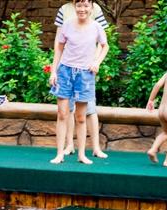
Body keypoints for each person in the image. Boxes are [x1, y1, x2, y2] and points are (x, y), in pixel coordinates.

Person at [49, 0, 109, 164]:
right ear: (75, 7)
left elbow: (105, 46)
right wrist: (54, 71)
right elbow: (59, 48)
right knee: (62, 114)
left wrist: (97, 62)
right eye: (79, 6)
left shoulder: (96, 26)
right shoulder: (67, 24)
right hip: (65, 71)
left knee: (81, 117)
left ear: (91, 8)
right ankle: (60, 154)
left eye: (86, 6)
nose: (82, 9)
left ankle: (82, 155)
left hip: (85, 74)